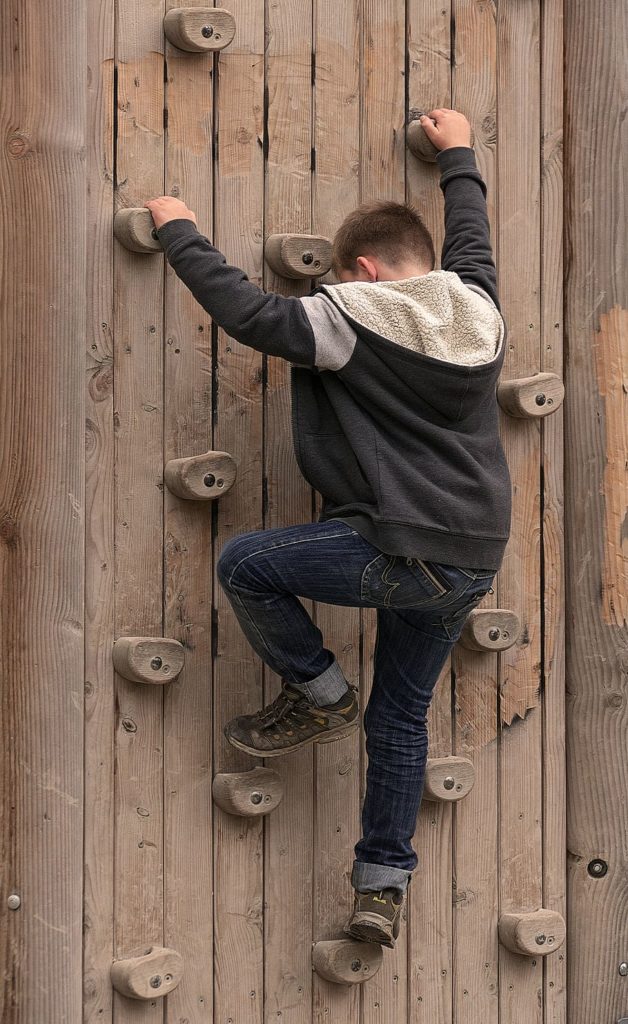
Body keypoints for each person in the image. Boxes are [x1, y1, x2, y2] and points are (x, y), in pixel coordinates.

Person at [145, 108, 511, 950]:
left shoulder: (351, 317)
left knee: (247, 564)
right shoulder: (480, 312)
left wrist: (179, 231)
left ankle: (318, 694)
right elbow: (472, 242)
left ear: (365, 270)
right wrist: (457, 152)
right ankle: (381, 884)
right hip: (473, 559)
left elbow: (246, 311)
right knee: (402, 718)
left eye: (341, 277)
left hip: (403, 547)